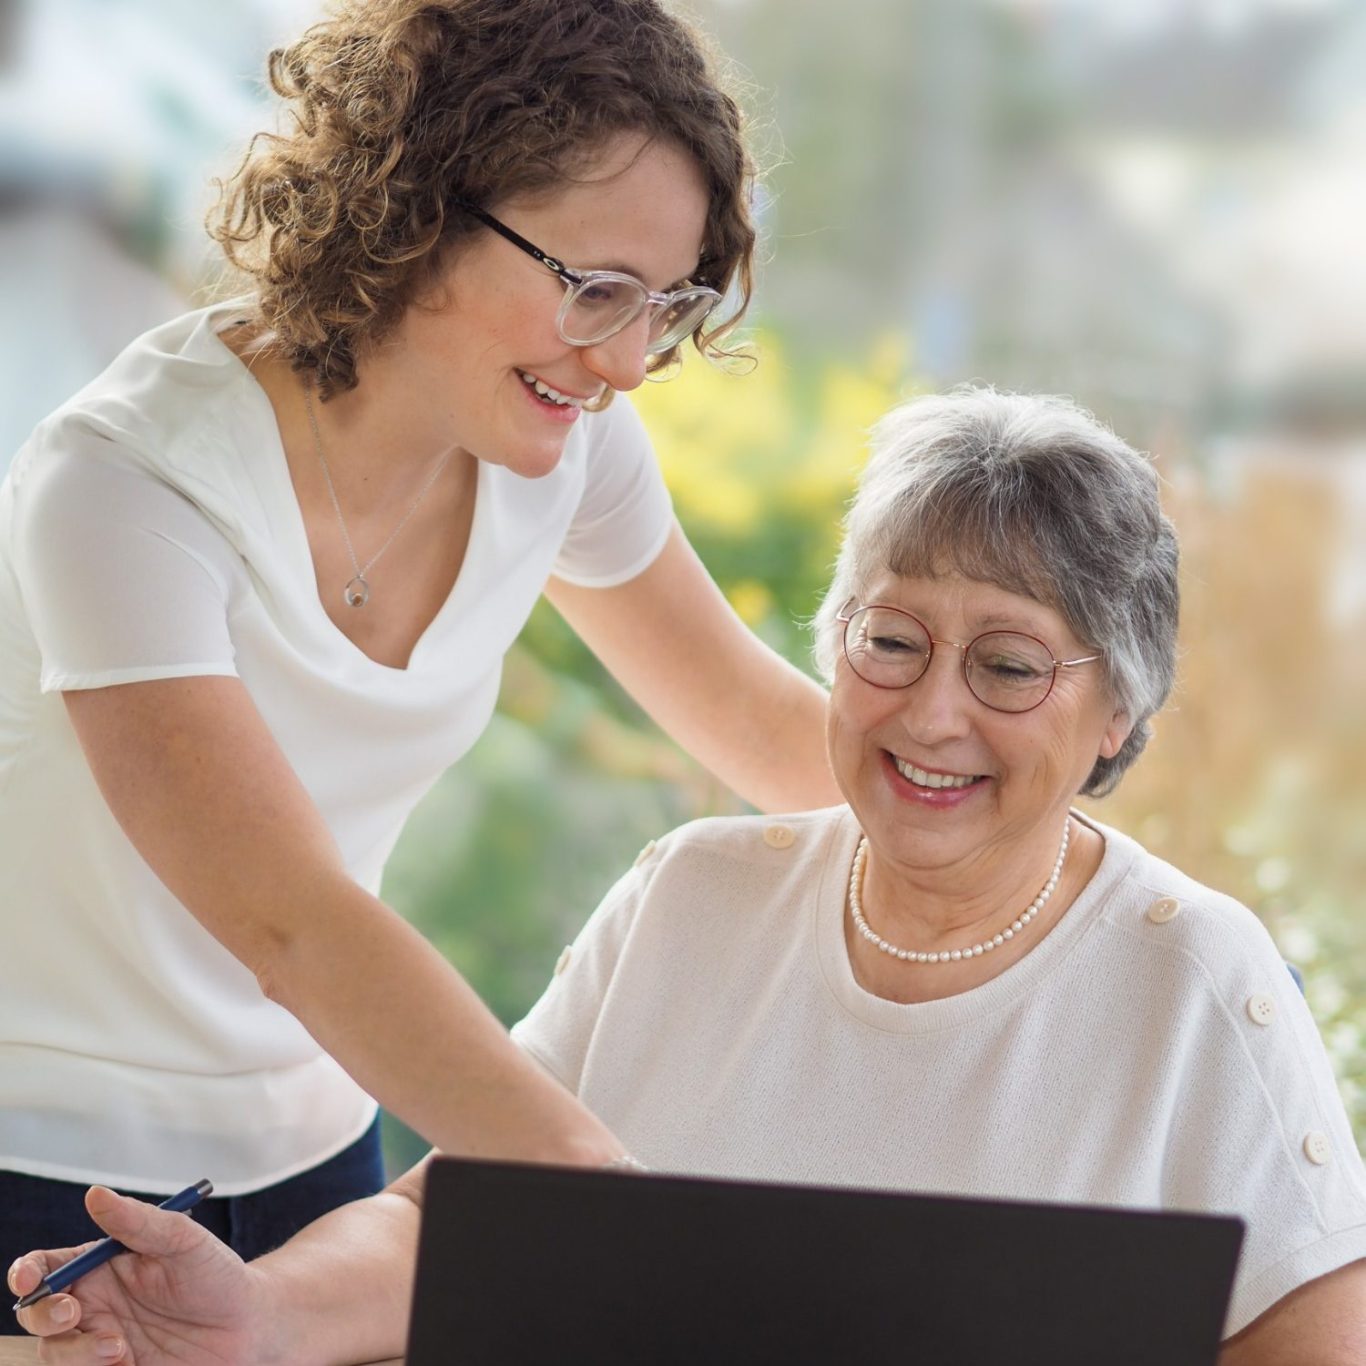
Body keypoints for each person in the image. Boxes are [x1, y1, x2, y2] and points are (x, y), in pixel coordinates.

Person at [14, 388, 1366, 1365]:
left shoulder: (1193, 979)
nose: (929, 713)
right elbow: (462, 1228)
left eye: (1007, 665)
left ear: (1118, 710)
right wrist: (263, 1315)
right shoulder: (693, 896)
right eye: (888, 640)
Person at [0, 0, 842, 1297]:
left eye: (663, 303)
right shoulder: (122, 489)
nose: (623, 359)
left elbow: (760, 725)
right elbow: (291, 923)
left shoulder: (560, 450)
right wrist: (622, 1213)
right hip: (49, 1183)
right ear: (417, 211)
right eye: (590, 288)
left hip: (324, 1147)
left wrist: (1084, 887)